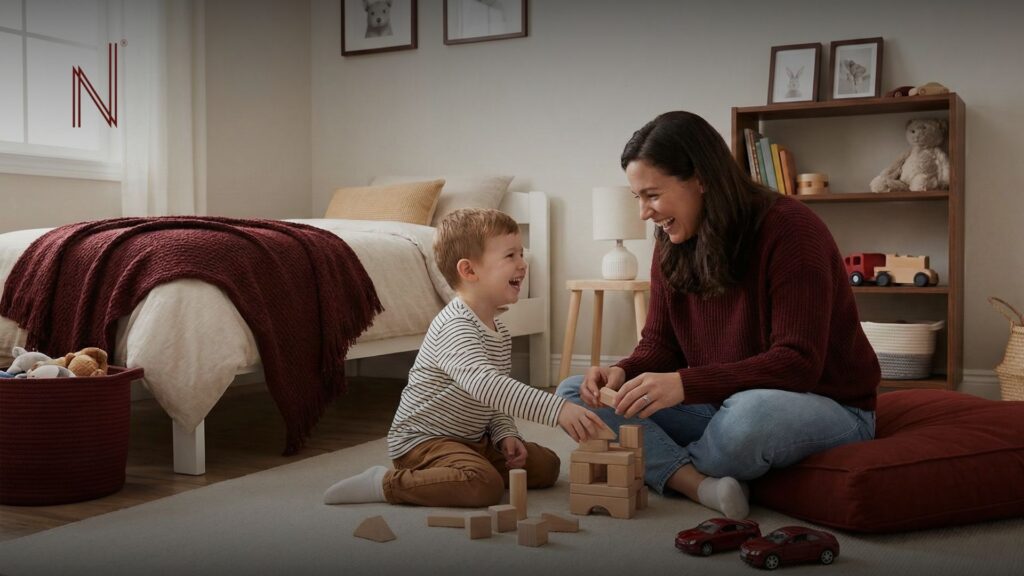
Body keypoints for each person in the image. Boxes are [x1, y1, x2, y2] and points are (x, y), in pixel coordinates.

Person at [556, 111, 879, 519]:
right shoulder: (671, 240)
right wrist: (624, 371)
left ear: (701, 179)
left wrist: (684, 385)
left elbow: (799, 364)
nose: (644, 213)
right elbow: (661, 344)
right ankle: (700, 483)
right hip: (720, 403)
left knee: (748, 418)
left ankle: (672, 466)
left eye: (652, 195)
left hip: (825, 404)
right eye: (637, 197)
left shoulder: (791, 230)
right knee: (573, 393)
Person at [324, 208, 607, 507]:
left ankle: (465, 469)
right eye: (510, 256)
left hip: (473, 438)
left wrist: (504, 434)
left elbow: (495, 398)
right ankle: (386, 484)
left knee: (546, 466)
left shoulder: (498, 330)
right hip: (423, 440)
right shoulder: (455, 326)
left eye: (521, 254)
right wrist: (557, 408)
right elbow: (487, 385)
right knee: (483, 486)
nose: (523, 264)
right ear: (469, 271)